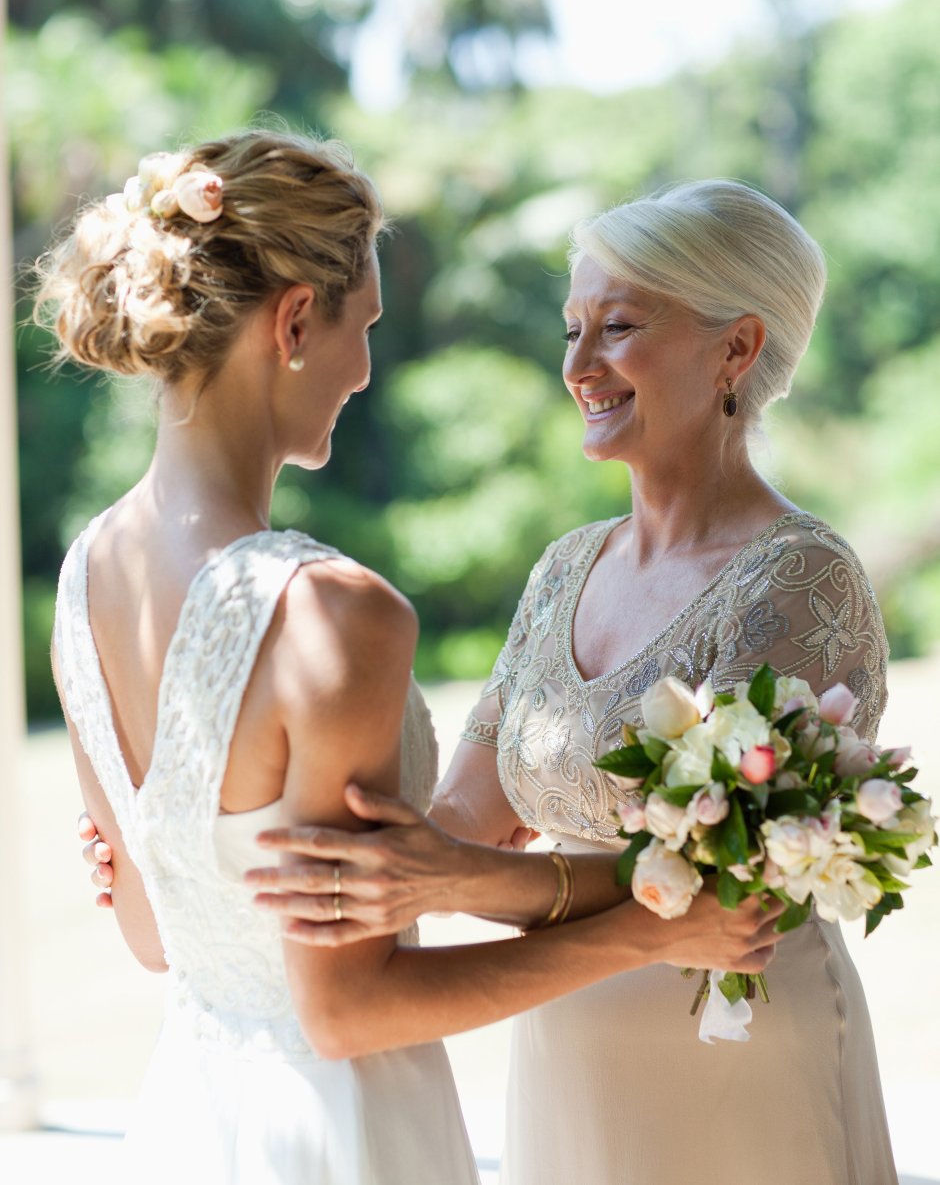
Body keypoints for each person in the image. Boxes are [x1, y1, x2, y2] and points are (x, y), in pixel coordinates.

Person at [45, 135, 778, 1185]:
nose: (364, 370)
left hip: (192, 1121)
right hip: (339, 1131)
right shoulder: (328, 615)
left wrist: (160, 855)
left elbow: (157, 939)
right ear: (296, 321)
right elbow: (349, 1012)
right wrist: (654, 938)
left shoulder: (83, 578)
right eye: (365, 327)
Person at [185, 179, 898, 1185]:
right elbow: (457, 820)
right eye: (571, 330)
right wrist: (212, 829)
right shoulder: (565, 568)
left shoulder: (800, 580)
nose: (577, 367)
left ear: (735, 349)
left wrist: (464, 881)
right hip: (561, 1036)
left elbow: (723, 880)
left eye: (616, 327)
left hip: (736, 1044)